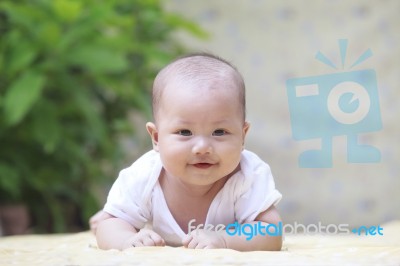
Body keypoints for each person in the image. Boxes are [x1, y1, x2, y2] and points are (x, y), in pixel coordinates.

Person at [93, 53, 282, 251]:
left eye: (219, 132)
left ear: (242, 136)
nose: (202, 147)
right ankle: (107, 210)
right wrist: (125, 239)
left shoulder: (248, 175)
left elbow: (271, 231)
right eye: (184, 132)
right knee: (107, 219)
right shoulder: (144, 176)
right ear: (156, 138)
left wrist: (225, 239)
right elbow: (111, 225)